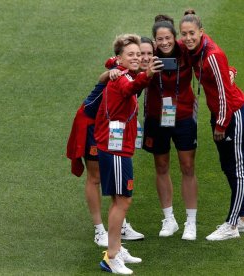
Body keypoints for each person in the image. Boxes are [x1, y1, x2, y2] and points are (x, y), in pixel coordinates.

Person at [66, 38, 156, 247]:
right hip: (91, 124)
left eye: (146, 54)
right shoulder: (120, 72)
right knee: (95, 177)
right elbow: (110, 73)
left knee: (115, 185)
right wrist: (110, 73)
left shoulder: (135, 71)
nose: (142, 58)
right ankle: (100, 230)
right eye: (136, 54)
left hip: (109, 126)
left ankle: (119, 226)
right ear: (123, 57)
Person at [179, 9, 244, 241]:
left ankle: (232, 225)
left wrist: (221, 124)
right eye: (184, 34)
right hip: (221, 115)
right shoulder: (194, 48)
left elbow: (224, 94)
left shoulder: (212, 54)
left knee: (238, 169)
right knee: (227, 166)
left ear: (201, 32)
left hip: (233, 114)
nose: (188, 38)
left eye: (192, 33)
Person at [95, 34, 162, 274]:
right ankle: (111, 256)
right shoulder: (123, 78)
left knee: (118, 199)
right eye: (131, 55)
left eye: (138, 54)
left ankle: (117, 248)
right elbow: (132, 87)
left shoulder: (123, 72)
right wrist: (148, 75)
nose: (136, 58)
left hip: (118, 147)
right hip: (114, 149)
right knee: (123, 200)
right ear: (120, 58)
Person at [143, 15, 198, 240]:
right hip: (157, 118)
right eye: (160, 39)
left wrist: (230, 71)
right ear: (155, 41)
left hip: (183, 116)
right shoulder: (149, 55)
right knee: (161, 166)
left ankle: (191, 222)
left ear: (175, 38)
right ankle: (169, 219)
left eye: (168, 38)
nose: (164, 42)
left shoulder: (187, 51)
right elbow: (121, 58)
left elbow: (206, 46)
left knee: (187, 166)